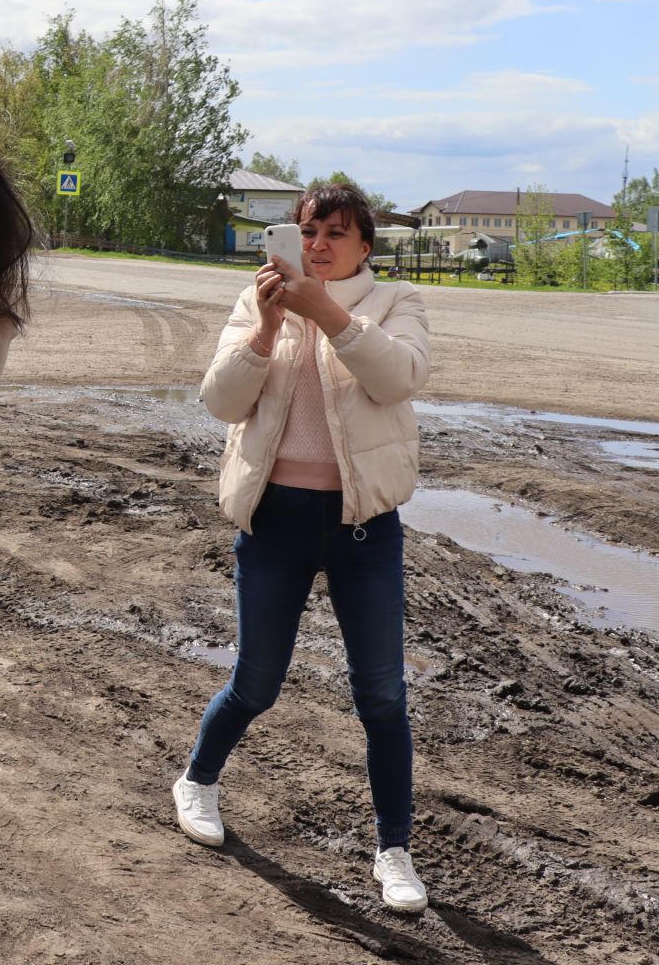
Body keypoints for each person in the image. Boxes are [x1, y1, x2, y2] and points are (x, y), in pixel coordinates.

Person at [171, 182, 433, 914]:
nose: (316, 245)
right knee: (257, 682)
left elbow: (401, 376)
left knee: (382, 694)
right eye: (307, 232)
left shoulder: (396, 304)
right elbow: (221, 402)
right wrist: (263, 328)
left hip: (363, 528)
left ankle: (394, 850)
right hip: (276, 519)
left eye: (335, 234)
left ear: (365, 247)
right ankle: (196, 781)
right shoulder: (258, 301)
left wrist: (329, 315)